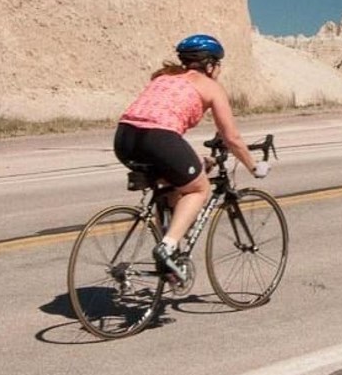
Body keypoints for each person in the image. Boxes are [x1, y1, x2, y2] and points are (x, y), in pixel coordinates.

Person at [113, 34, 266, 283]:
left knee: (172, 187)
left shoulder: (165, 77)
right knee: (199, 190)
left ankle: (169, 264)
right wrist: (254, 166)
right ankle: (167, 247)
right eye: (218, 65)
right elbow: (232, 137)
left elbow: (163, 127)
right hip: (159, 139)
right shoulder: (211, 87)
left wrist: (200, 162)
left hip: (124, 138)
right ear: (210, 65)